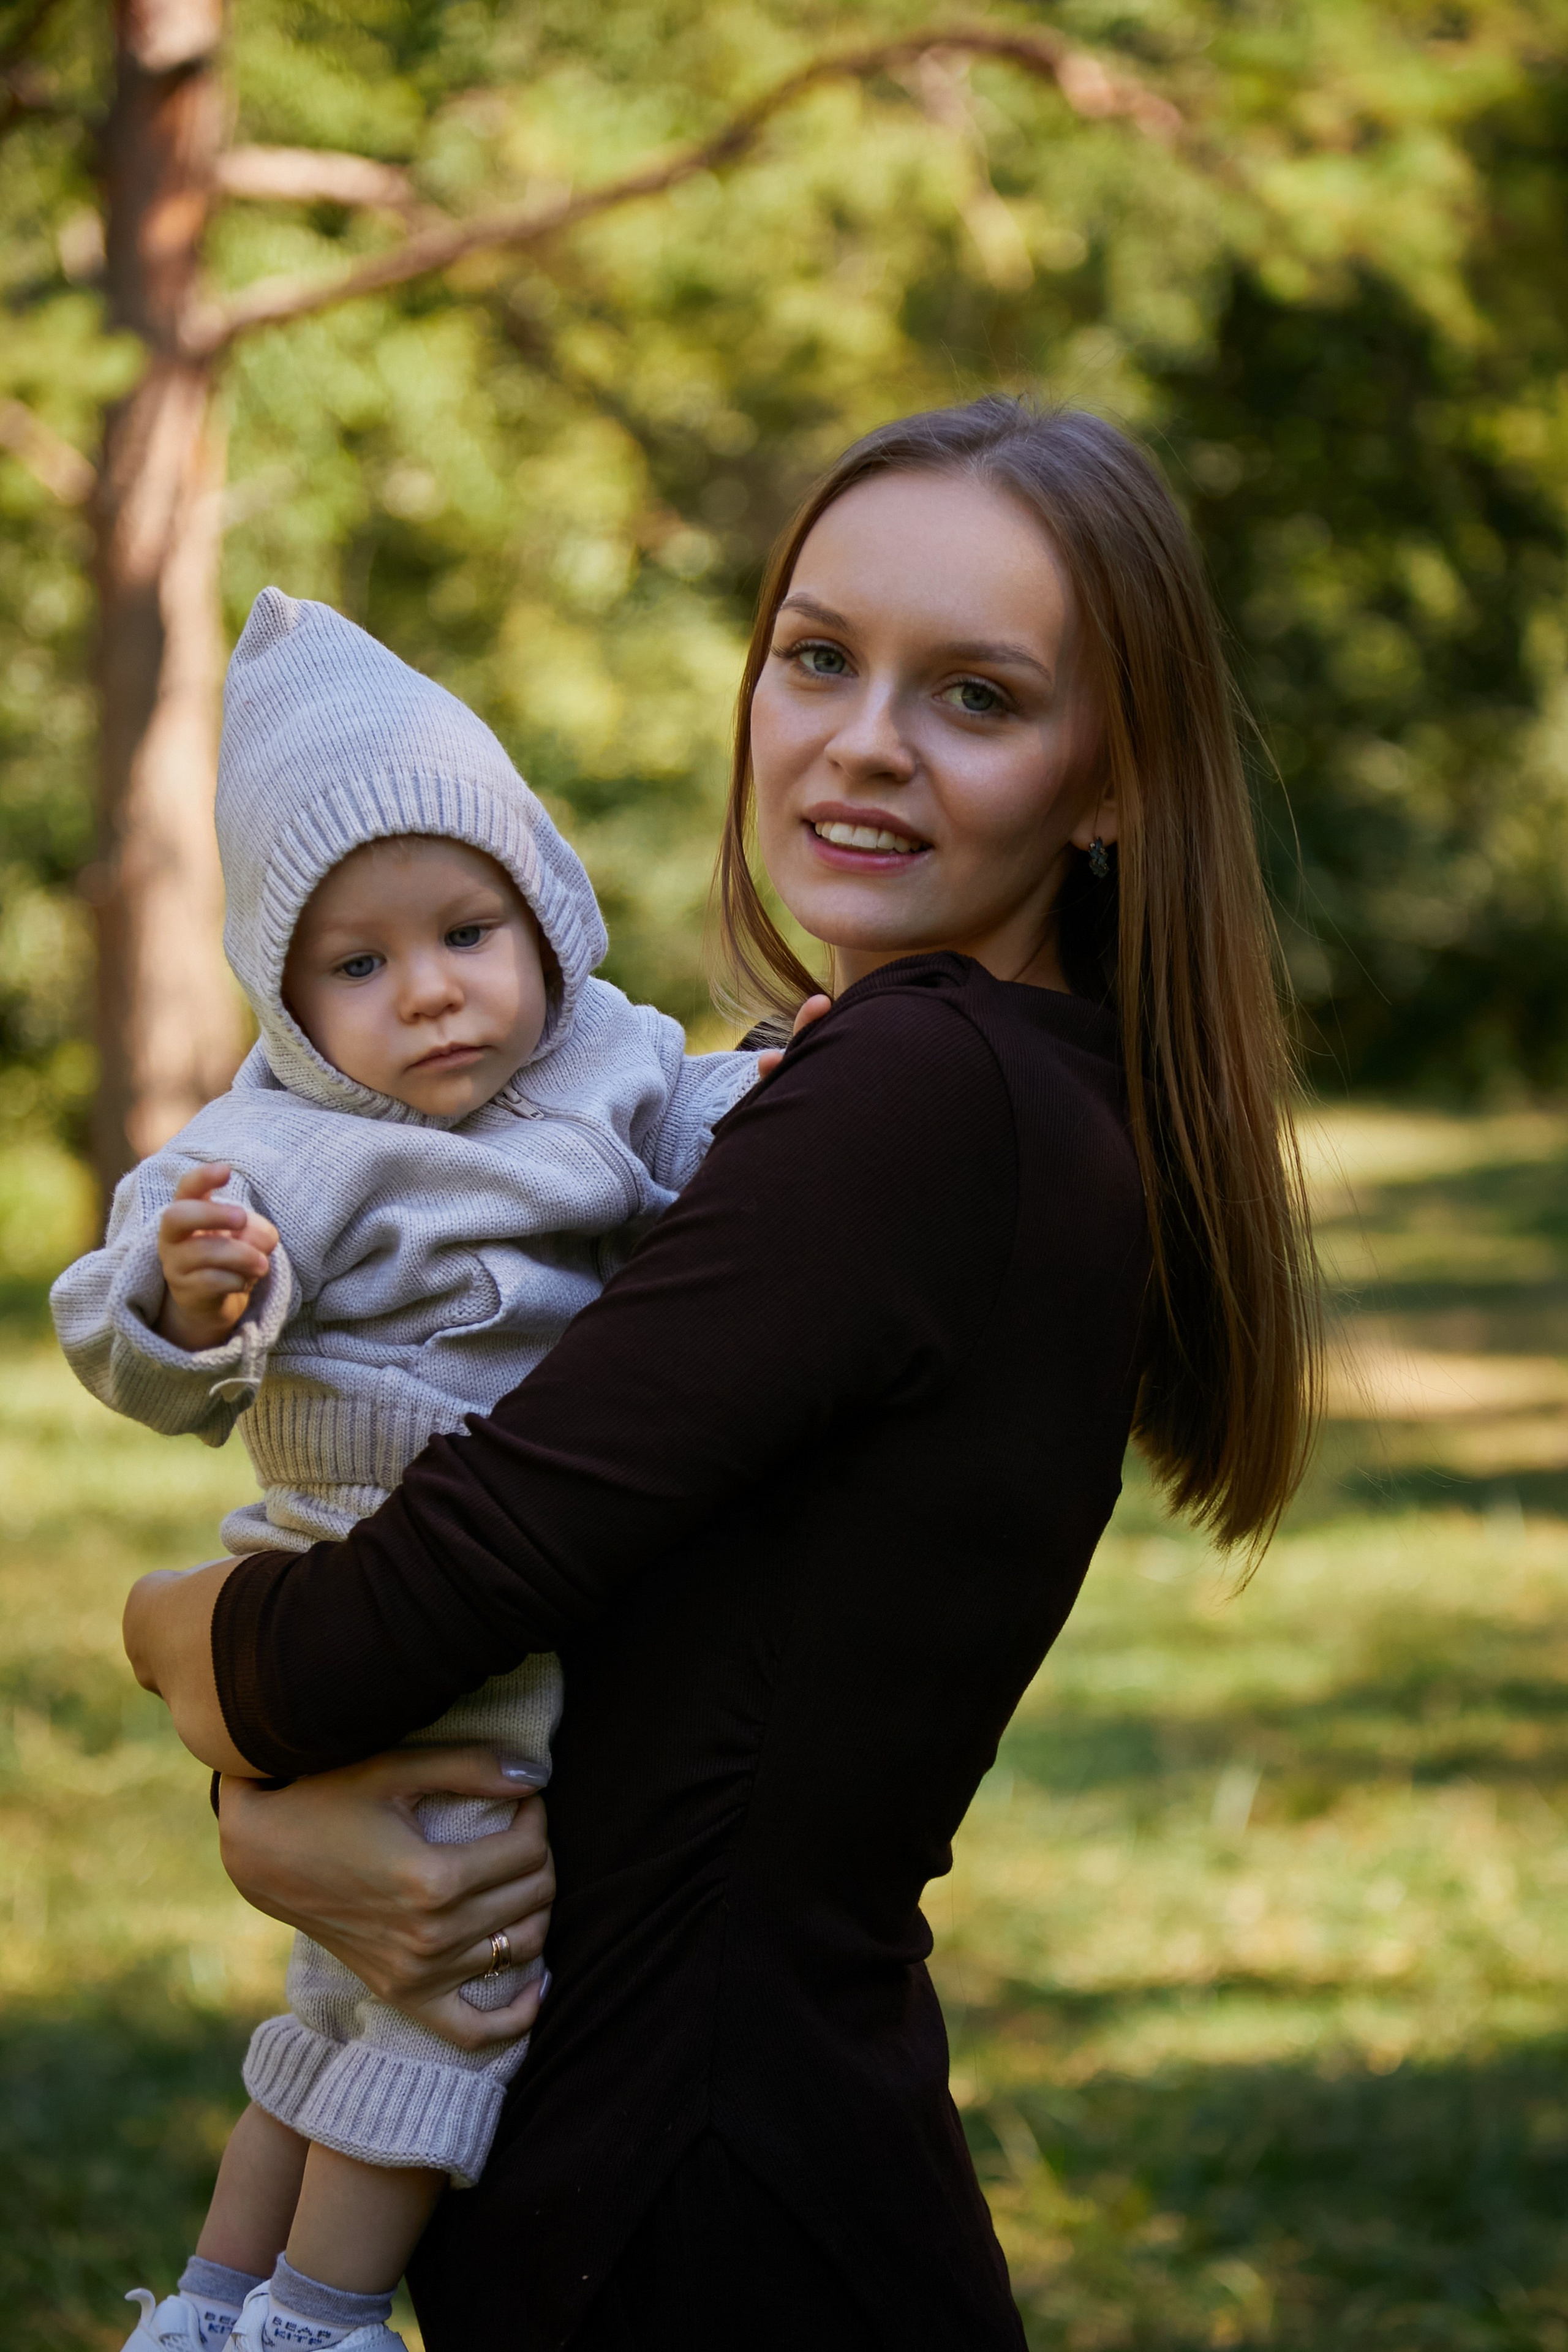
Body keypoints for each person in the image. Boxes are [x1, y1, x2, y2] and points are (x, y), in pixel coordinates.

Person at [124, 398, 1321, 2351]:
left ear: (1111, 782)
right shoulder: (954, 1087)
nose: (864, 742)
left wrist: (162, 1629)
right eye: (819, 657)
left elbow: (372, 1635)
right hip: (696, 2165)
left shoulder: (924, 1095)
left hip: (705, 2218)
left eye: (978, 696)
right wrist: (289, 1819)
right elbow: (612, 1669)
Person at [53, 587, 782, 2352]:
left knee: (342, 1985)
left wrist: (784, 1081)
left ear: (543, 911)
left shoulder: (609, 1058)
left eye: (466, 931)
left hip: (512, 1566)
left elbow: (699, 1130)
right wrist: (194, 1292)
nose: (432, 993)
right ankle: (315, 2322)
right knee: (459, 1979)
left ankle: (205, 2310)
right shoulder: (280, 1142)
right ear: (288, 996)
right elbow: (120, 1315)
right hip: (375, 1572)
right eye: (358, 968)